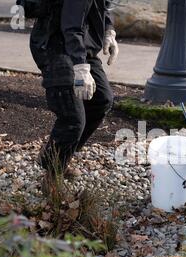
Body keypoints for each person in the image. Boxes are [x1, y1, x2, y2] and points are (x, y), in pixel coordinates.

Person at [28, 0, 118, 187]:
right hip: (54, 45)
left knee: (101, 99)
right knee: (73, 118)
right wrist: (81, 69)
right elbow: (71, 26)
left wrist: (109, 31)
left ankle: (60, 155)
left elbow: (103, 5)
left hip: (80, 42)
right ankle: (52, 173)